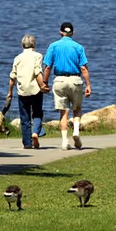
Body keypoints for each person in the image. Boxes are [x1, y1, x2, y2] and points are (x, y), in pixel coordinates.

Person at [43, 22, 91, 150]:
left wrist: (45, 82)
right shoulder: (78, 47)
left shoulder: (53, 46)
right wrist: (88, 85)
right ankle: (76, 132)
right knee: (77, 109)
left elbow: (47, 67)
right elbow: (83, 68)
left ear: (60, 32)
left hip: (59, 81)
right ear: (73, 33)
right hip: (75, 79)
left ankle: (65, 141)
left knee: (63, 112)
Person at [7, 34, 50, 149]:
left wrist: (10, 92)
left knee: (24, 118)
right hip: (35, 90)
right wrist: (42, 86)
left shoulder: (17, 58)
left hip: (22, 91)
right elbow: (37, 72)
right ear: (34, 44)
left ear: (22, 45)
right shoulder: (38, 56)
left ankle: (27, 143)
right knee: (37, 113)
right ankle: (35, 132)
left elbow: (12, 78)